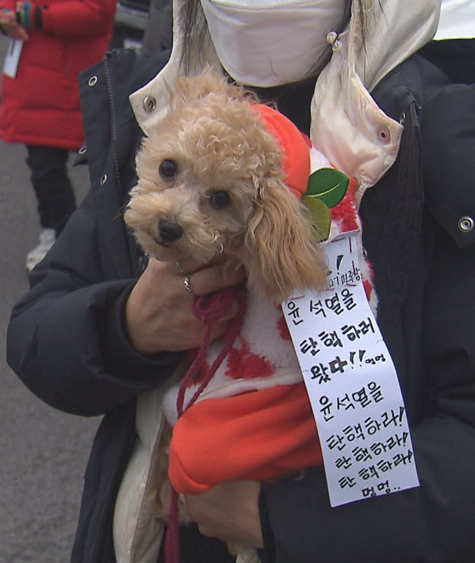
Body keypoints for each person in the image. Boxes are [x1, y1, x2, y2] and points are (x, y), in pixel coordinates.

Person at [6, 0, 475, 562]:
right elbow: (35, 333)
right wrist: (128, 325)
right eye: (170, 172)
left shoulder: (442, 137)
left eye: (221, 198)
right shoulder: (158, 108)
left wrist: (286, 521)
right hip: (150, 533)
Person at [0, 0, 117, 271]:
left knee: (50, 168)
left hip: (65, 77)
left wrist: (34, 17)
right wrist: (7, 15)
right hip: (34, 77)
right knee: (42, 165)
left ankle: (64, 237)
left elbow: (96, 13)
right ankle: (56, 234)